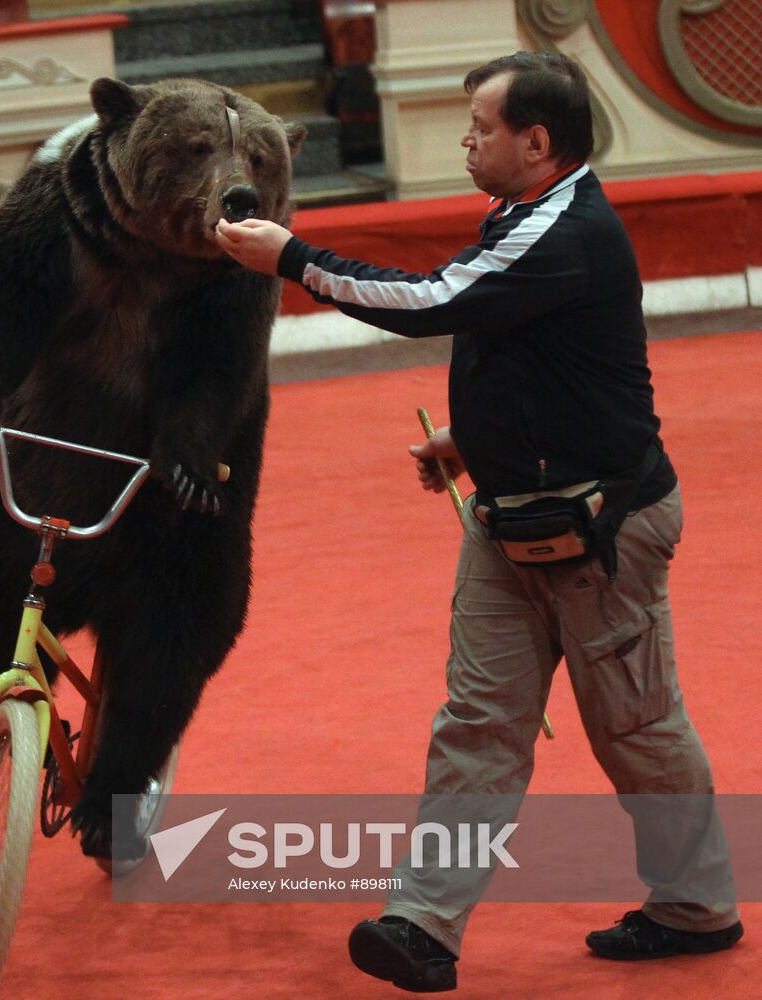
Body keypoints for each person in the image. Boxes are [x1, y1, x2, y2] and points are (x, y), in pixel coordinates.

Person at [215, 51, 742, 993]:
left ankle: (695, 906)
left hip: (605, 528)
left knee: (634, 727)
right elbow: (548, 353)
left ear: (536, 143)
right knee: (478, 723)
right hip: (512, 514)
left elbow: (432, 304)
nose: (464, 141)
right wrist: (472, 438)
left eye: (480, 128)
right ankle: (422, 924)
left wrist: (292, 259)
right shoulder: (522, 214)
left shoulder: (562, 229)